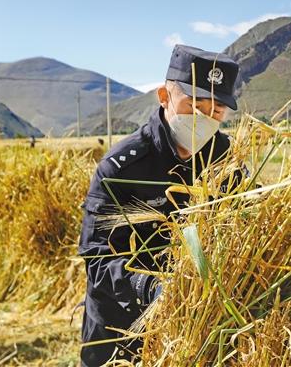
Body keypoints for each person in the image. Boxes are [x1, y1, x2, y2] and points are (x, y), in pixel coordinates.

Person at [78, 45, 241, 366]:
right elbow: (97, 259)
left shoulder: (225, 159)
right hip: (120, 325)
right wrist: (150, 287)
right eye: (195, 104)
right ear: (165, 96)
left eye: (217, 110)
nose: (205, 118)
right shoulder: (121, 167)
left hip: (195, 327)